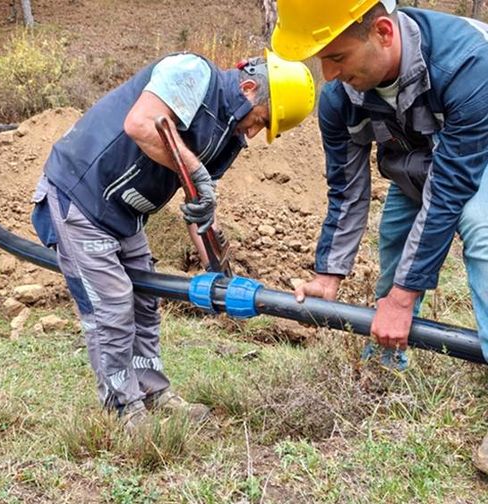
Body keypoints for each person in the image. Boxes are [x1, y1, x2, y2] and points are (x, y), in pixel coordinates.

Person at [272, 0, 488, 492]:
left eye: (337, 58)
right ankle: (386, 358)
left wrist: (403, 297)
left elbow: (453, 188)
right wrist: (329, 273)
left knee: (483, 221)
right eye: (320, 61)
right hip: (419, 165)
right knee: (396, 236)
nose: (328, 75)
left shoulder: (475, 63)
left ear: (383, 32)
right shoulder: (341, 97)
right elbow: (346, 190)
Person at [29, 50, 315, 431]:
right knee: (112, 309)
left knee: (146, 302)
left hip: (125, 216)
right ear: (248, 88)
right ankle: (123, 408)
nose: (254, 132)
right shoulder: (191, 73)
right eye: (260, 120)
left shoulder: (228, 137)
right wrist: (196, 170)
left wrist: (215, 269)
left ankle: (152, 392)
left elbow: (197, 205)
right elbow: (141, 124)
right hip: (80, 196)